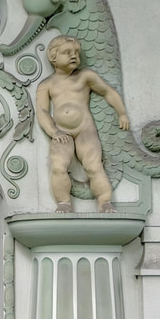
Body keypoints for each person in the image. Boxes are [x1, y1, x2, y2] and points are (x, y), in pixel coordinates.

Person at [36, 35, 130, 213]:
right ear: (53, 57)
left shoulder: (85, 76)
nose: (74, 56)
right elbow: (42, 111)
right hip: (61, 131)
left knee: (93, 165)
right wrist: (54, 132)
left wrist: (122, 113)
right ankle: (64, 203)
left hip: (85, 129)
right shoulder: (47, 84)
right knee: (58, 165)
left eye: (76, 53)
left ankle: (105, 202)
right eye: (67, 52)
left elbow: (108, 92)